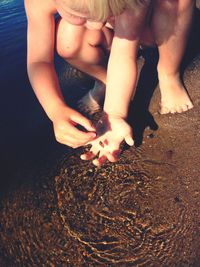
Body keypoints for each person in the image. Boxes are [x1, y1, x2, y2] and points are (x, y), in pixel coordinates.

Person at [25, 0, 195, 167]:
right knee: (67, 39)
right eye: (82, 16)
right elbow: (39, 61)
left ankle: (169, 73)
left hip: (153, 25)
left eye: (99, 17)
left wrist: (115, 113)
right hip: (118, 27)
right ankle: (104, 80)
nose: (96, 26)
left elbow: (124, 52)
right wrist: (55, 109)